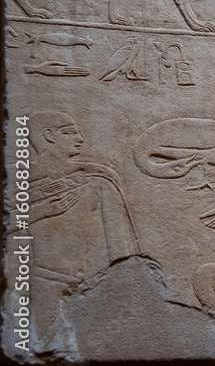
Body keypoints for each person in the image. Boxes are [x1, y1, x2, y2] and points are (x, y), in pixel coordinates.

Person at [26, 111, 140, 347]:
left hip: (88, 284)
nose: (80, 138)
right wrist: (44, 210)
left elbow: (119, 244)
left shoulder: (97, 180)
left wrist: (127, 284)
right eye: (69, 132)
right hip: (38, 282)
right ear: (48, 136)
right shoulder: (21, 179)